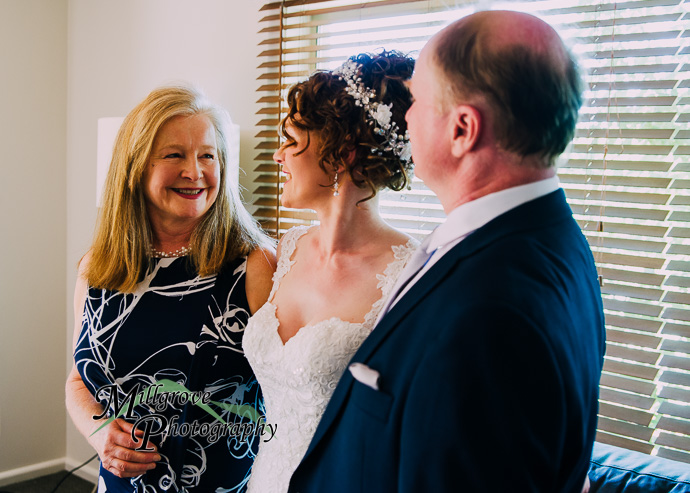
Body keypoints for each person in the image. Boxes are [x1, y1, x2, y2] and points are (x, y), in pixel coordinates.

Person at [288, 10, 605, 493]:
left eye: (415, 99)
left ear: (462, 129)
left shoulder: (492, 310)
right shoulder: (551, 240)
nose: (405, 116)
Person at [66, 85, 276, 492]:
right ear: (136, 166)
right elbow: (78, 380)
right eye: (174, 154)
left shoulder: (254, 266)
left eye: (207, 156)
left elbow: (294, 394)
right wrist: (100, 432)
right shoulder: (98, 268)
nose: (194, 172)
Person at [242, 50, 418, 493]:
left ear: (340, 154)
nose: (278, 156)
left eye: (291, 139)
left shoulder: (407, 274)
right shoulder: (283, 251)